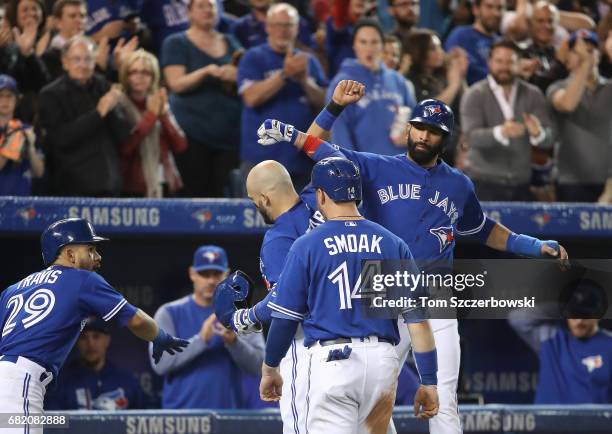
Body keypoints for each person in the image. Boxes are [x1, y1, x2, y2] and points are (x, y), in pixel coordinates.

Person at [256, 80, 569, 434]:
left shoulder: (459, 184)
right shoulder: (374, 167)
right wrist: (331, 109)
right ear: (409, 128)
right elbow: (317, 149)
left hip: (434, 292)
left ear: (445, 138)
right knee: (374, 397)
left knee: (443, 399)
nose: (423, 136)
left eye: (433, 132)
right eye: (419, 127)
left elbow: (482, 229)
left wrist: (530, 245)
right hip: (380, 288)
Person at [259, 156, 440, 433]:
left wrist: (270, 368)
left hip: (334, 362)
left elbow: (285, 319)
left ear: (320, 195)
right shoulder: (393, 243)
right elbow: (418, 322)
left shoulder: (307, 245)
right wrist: (428, 381)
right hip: (382, 363)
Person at [0, 218, 188, 434]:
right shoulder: (82, 279)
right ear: (70, 254)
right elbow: (136, 320)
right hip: (21, 382)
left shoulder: (12, 290)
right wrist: (159, 336)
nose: (98, 257)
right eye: (90, 249)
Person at [214, 159, 322, 433]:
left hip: (308, 347)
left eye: (254, 200)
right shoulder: (320, 197)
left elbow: (285, 304)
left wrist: (243, 318)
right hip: (363, 336)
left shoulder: (279, 239)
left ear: (264, 198)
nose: (256, 206)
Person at [150, 245, 265, 409]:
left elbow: (259, 366)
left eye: (217, 274)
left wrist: (234, 342)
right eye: (204, 274)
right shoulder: (169, 313)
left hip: (228, 418)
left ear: (226, 274)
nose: (211, 280)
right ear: (192, 274)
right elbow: (160, 364)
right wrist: (201, 340)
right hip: (180, 419)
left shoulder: (242, 315)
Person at [237, 2, 327, 191]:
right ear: (267, 27)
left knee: (303, 219)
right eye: (278, 25)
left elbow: (325, 103)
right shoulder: (253, 58)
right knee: (259, 220)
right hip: (261, 160)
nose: (283, 31)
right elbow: (251, 98)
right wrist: (284, 75)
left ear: (297, 28)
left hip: (302, 160)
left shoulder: (308, 60)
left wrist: (304, 80)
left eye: (288, 25)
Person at [162, 0, 243, 197]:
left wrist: (236, 76)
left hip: (228, 136)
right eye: (201, 5)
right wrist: (206, 72)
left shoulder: (230, 41)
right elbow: (176, 84)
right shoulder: (176, 42)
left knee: (227, 196)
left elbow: (245, 77)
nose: (207, 10)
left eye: (212, 6)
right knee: (197, 196)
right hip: (192, 136)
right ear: (189, 11)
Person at [460, 39, 554, 201]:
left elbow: (549, 139)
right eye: (499, 61)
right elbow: (471, 137)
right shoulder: (474, 94)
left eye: (510, 61)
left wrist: (538, 133)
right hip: (483, 183)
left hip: (521, 184)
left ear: (519, 64)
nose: (504, 67)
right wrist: (501, 132)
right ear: (489, 62)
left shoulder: (533, 94)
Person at [38, 36, 131, 197]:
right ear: (65, 62)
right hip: (72, 187)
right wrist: (98, 114)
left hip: (111, 183)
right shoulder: (50, 94)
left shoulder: (103, 86)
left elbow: (123, 134)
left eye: (88, 59)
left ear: (95, 61)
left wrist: (114, 108)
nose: (82, 65)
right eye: (76, 59)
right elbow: (61, 139)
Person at [509, 280, 612, 404]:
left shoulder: (609, 344)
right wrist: (562, 307)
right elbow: (517, 318)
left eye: (585, 315)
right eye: (574, 314)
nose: (578, 321)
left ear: (598, 314)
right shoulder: (551, 338)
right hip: (548, 422)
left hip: (594, 422)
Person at [326, 19, 416, 155]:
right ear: (354, 46)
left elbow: (417, 120)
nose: (369, 48)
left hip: (402, 166)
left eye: (374, 42)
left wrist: (411, 134)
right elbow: (339, 133)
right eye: (363, 42)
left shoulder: (398, 80)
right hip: (366, 170)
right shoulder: (342, 84)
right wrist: (350, 168)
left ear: (382, 46)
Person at [548, 30, 612, 203]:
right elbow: (567, 104)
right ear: (568, 58)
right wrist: (584, 65)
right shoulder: (557, 87)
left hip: (608, 182)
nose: (585, 56)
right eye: (578, 52)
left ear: (599, 56)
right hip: (571, 182)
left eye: (590, 51)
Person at [117, 49, 187, 197]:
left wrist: (162, 115)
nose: (139, 77)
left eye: (145, 72)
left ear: (153, 77)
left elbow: (180, 145)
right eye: (133, 72)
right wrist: (151, 116)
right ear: (126, 75)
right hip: (131, 184)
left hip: (164, 181)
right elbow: (124, 148)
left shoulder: (159, 103)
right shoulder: (118, 104)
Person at [45, 316, 151, 410]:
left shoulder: (127, 382)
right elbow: (55, 425)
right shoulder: (60, 383)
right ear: (76, 342)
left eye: (96, 336)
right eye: (83, 337)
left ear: (107, 340)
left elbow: (144, 423)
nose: (90, 344)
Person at [0, 74, 44, 195]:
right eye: (1, 96)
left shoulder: (26, 129)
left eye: (9, 96)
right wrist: (10, 146)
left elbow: (38, 172)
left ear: (17, 99)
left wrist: (31, 149)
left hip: (21, 201)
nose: (5, 101)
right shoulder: (18, 131)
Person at [444, 0, 504, 85]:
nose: (496, 13)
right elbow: (449, 68)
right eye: (489, 7)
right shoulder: (460, 35)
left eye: (500, 8)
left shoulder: (503, 43)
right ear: (476, 9)